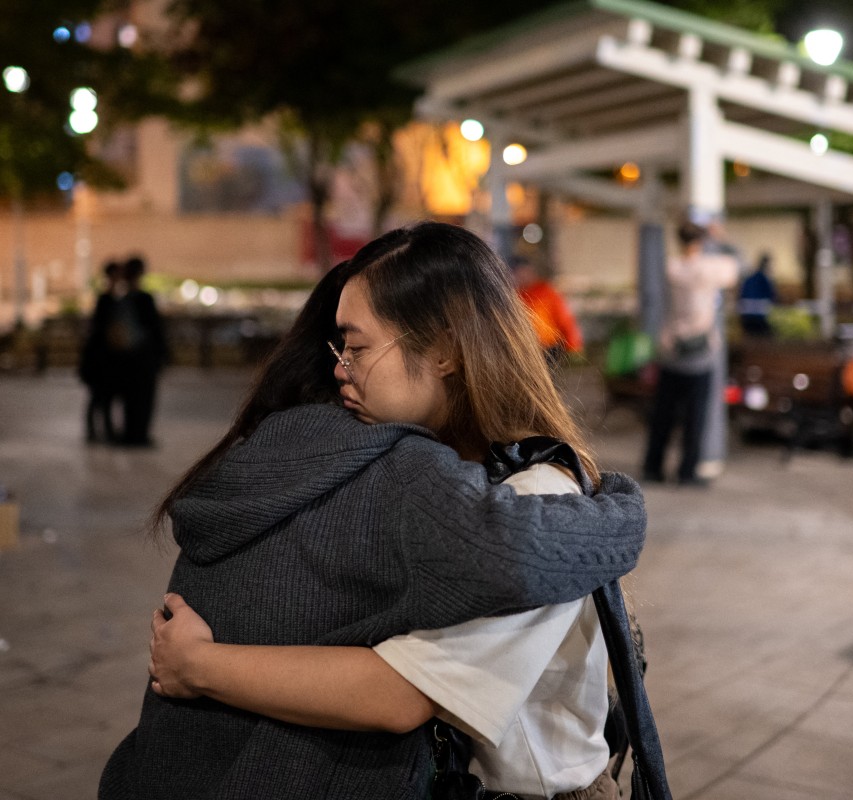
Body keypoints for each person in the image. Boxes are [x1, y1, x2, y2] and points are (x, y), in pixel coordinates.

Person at [100, 223, 647, 799]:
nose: (341, 368)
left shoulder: (538, 497)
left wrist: (199, 666)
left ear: (444, 350)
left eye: (357, 347)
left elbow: (399, 695)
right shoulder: (437, 475)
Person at [642, 221, 738, 487]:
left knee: (663, 415)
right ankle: (687, 471)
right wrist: (718, 237)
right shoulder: (708, 268)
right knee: (696, 416)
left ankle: (653, 466)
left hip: (671, 349)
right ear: (701, 241)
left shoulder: (671, 267)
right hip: (700, 354)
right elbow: (734, 267)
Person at [109, 255, 169, 446]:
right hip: (144, 357)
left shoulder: (122, 300)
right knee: (144, 398)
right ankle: (139, 435)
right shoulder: (144, 299)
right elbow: (155, 329)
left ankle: (129, 433)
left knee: (129, 398)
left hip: (126, 357)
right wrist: (163, 354)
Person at [511, 255, 584, 368]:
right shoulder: (515, 296)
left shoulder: (547, 293)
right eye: (517, 273)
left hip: (548, 347)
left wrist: (573, 345)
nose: (521, 276)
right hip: (526, 348)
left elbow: (565, 319)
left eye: (523, 272)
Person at [79, 260, 123, 442]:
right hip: (102, 355)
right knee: (101, 394)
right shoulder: (107, 299)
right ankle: (101, 431)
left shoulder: (108, 299)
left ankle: (98, 430)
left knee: (101, 395)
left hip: (102, 354)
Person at [737, 252, 777, 336]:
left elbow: (741, 296)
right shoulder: (764, 280)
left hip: (746, 317)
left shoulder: (749, 279)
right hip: (761, 317)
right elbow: (772, 296)